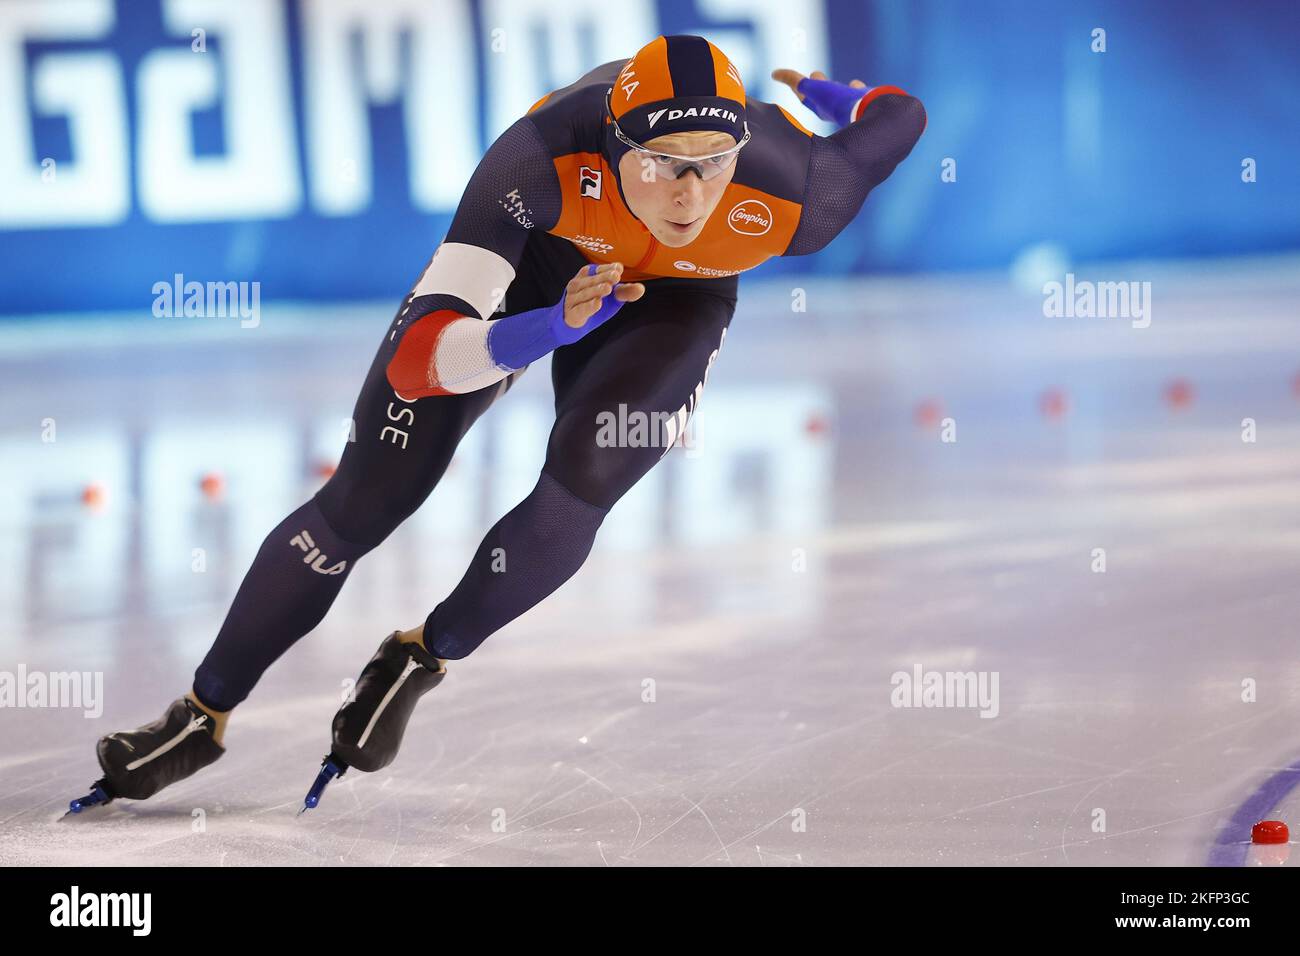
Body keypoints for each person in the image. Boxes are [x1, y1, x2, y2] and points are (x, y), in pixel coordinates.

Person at [70, 34, 927, 813]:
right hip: (542, 270)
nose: (691, 191)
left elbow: (902, 116)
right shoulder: (537, 160)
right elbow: (424, 358)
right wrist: (550, 327)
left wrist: (832, 95)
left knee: (589, 477)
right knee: (368, 497)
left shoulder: (801, 194)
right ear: (616, 148)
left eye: (712, 161)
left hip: (676, 298)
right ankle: (202, 713)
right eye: (664, 162)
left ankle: (423, 653)